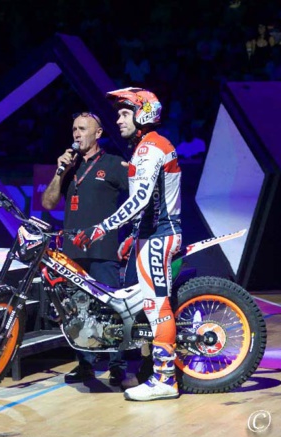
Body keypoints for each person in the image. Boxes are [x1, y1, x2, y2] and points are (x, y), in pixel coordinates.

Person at [73, 87, 183, 402]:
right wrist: (133, 237)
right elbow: (149, 204)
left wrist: (101, 228)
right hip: (151, 234)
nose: (118, 119)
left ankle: (165, 380)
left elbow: (140, 200)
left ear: (143, 113)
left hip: (161, 234)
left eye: (124, 113)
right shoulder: (146, 147)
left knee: (155, 304)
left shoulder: (150, 149)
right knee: (147, 304)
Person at [41, 111, 129, 387]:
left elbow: (139, 200)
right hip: (72, 253)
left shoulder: (114, 165)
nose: (77, 134)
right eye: (74, 129)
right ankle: (85, 365)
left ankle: (117, 364)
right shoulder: (70, 167)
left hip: (104, 250)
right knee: (77, 311)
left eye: (82, 129)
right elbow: (48, 203)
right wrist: (59, 173)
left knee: (111, 309)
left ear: (98, 133)